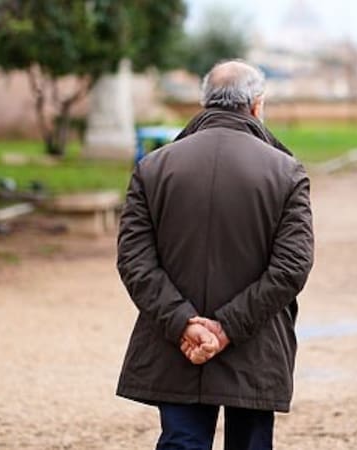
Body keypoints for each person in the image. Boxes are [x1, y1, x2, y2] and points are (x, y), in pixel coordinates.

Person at [116, 59, 315, 450]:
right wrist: (226, 328)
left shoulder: (152, 167)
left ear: (205, 103)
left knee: (182, 441)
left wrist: (184, 323)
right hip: (255, 339)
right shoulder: (286, 172)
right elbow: (291, 267)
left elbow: (134, 260)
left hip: (176, 340)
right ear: (257, 105)